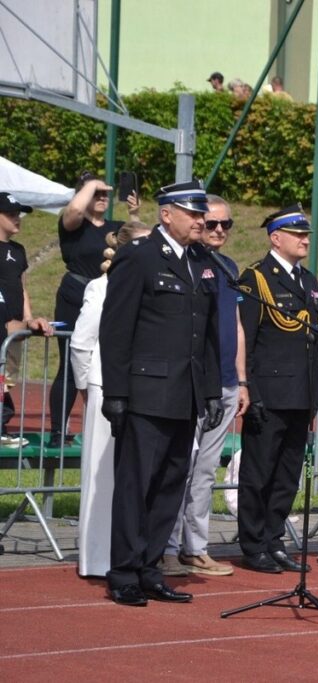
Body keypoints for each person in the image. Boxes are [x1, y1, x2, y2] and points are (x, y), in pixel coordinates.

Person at [99, 180, 223, 606]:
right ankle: (124, 572)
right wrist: (115, 392)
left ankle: (151, 568)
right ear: (166, 213)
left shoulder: (201, 262)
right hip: (146, 392)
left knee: (170, 485)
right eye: (193, 213)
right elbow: (115, 329)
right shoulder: (139, 257)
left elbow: (205, 334)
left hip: (184, 393)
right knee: (136, 485)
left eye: (201, 213)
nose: (201, 220)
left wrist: (208, 390)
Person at [163, 195, 247, 577]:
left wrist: (242, 379)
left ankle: (195, 547)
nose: (217, 231)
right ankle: (165, 546)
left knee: (206, 470)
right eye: (211, 223)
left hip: (227, 383)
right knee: (178, 466)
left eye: (225, 225)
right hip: (194, 384)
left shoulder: (228, 267)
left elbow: (237, 326)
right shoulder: (188, 263)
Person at [236, 205, 318, 574]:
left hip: (301, 394)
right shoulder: (256, 278)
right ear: (276, 238)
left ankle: (274, 539)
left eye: (306, 235)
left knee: (286, 475)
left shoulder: (309, 281)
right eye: (297, 234)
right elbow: (248, 340)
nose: (305, 240)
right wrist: (250, 389)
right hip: (269, 393)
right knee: (259, 473)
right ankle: (252, 544)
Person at [70, 221, 152, 578]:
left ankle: (127, 555)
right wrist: (86, 386)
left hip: (139, 389)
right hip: (105, 386)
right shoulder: (101, 286)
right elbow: (81, 341)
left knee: (130, 480)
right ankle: (95, 559)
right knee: (102, 477)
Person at [49, 173, 141, 449]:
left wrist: (134, 213)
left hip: (109, 294)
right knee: (68, 362)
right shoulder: (73, 225)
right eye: (96, 193)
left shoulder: (114, 226)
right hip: (76, 294)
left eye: (105, 194)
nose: (102, 198)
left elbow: (136, 241)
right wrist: (91, 184)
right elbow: (75, 209)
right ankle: (57, 431)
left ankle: (107, 422)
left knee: (109, 358)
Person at [0, 192, 54, 447]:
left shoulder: (18, 250)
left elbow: (21, 287)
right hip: (3, 326)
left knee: (7, 378)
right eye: (10, 214)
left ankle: (2, 427)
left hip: (14, 330)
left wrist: (29, 319)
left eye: (18, 213)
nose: (17, 219)